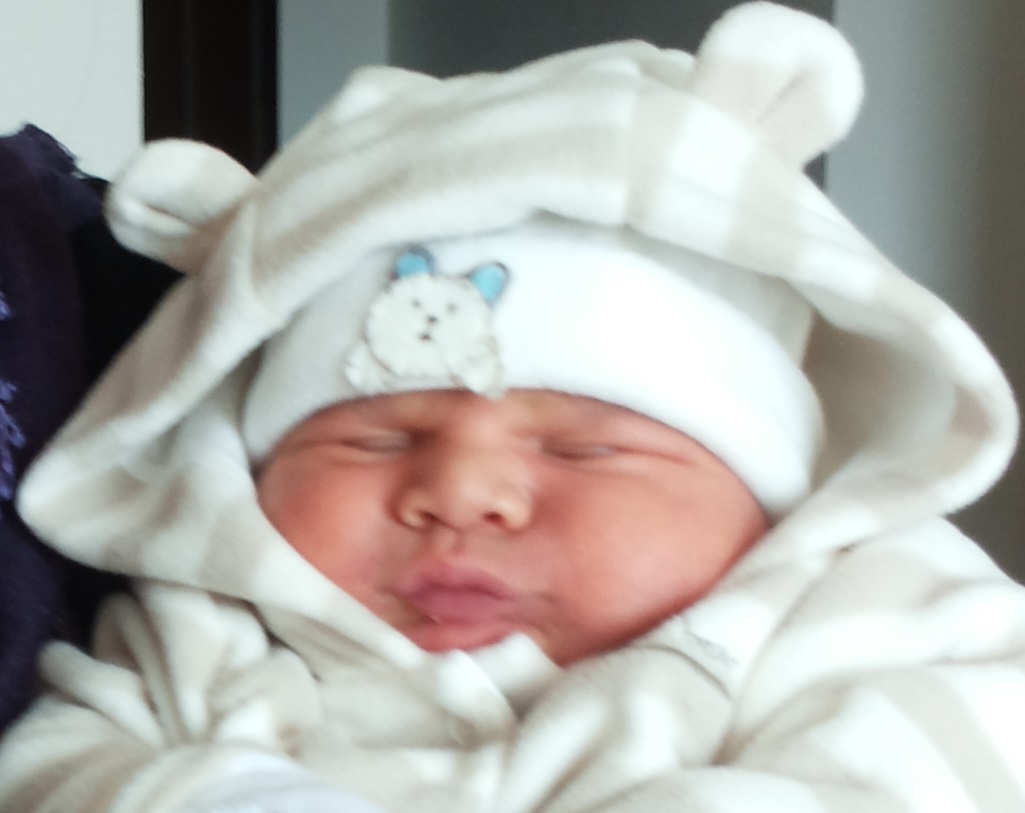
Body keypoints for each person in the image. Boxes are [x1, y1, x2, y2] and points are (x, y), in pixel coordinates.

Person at [1, 2, 1024, 811]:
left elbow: (965, 750)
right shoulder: (210, 628)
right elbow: (54, 763)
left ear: (764, 494)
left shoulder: (855, 611)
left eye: (584, 449)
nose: (460, 493)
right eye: (375, 439)